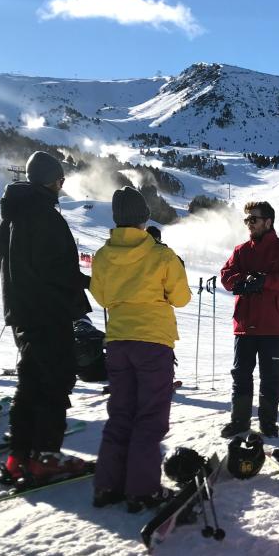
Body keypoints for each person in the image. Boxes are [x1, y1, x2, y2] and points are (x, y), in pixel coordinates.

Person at [90, 187, 191, 511]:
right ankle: (142, 489)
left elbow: (102, 297)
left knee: (120, 412)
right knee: (149, 416)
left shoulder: (104, 255)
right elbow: (181, 297)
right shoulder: (161, 254)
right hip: (153, 342)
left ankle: (108, 485)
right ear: (144, 217)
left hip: (118, 341)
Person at [0, 151, 92, 481]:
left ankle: (19, 454)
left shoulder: (12, 215)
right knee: (55, 381)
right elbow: (57, 269)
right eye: (61, 181)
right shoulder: (45, 216)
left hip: (22, 313)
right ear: (52, 181)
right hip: (49, 311)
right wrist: (89, 283)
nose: (61, 188)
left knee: (31, 383)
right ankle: (46, 456)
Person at [219, 201, 279, 438]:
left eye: (253, 219)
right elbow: (226, 276)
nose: (249, 224)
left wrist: (265, 280)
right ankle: (240, 422)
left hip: (272, 327)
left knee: (270, 378)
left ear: (268, 222)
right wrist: (242, 280)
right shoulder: (241, 250)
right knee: (241, 375)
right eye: (247, 220)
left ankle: (268, 423)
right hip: (245, 325)